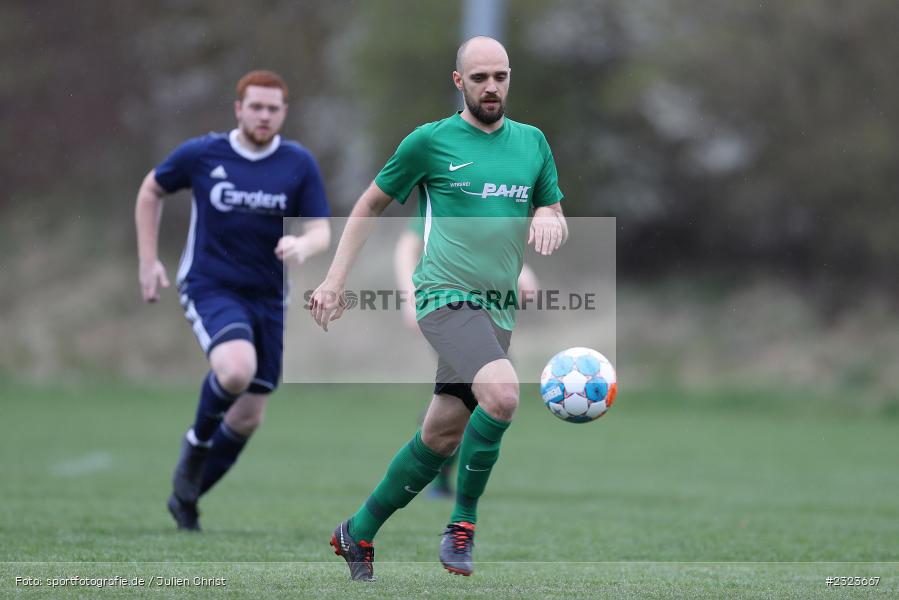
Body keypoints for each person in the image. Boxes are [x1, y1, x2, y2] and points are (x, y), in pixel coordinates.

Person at [310, 37, 567, 581]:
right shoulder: (429, 142)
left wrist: (550, 214)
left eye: (500, 76)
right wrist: (334, 279)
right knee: (501, 396)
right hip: (445, 297)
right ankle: (462, 527)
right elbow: (369, 205)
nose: (491, 87)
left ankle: (355, 531)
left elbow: (551, 206)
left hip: (497, 311)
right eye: (479, 78)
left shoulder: (533, 142)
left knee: (441, 436)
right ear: (459, 83)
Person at [135, 70, 331, 531]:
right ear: (238, 109)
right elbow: (151, 190)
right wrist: (148, 261)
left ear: (284, 112)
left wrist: (304, 245)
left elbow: (321, 228)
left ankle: (186, 497)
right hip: (210, 285)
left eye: (273, 108)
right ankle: (197, 442)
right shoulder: (204, 153)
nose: (264, 115)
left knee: (248, 416)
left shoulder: (298, 162)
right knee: (236, 369)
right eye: (255, 106)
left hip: (268, 297)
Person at [394, 216, 540, 499]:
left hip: (487, 315)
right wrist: (408, 298)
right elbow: (406, 247)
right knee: (478, 392)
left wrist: (522, 274)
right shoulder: (444, 194)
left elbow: (491, 246)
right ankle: (442, 477)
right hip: (449, 310)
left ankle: (437, 451)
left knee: (471, 396)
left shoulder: (487, 196)